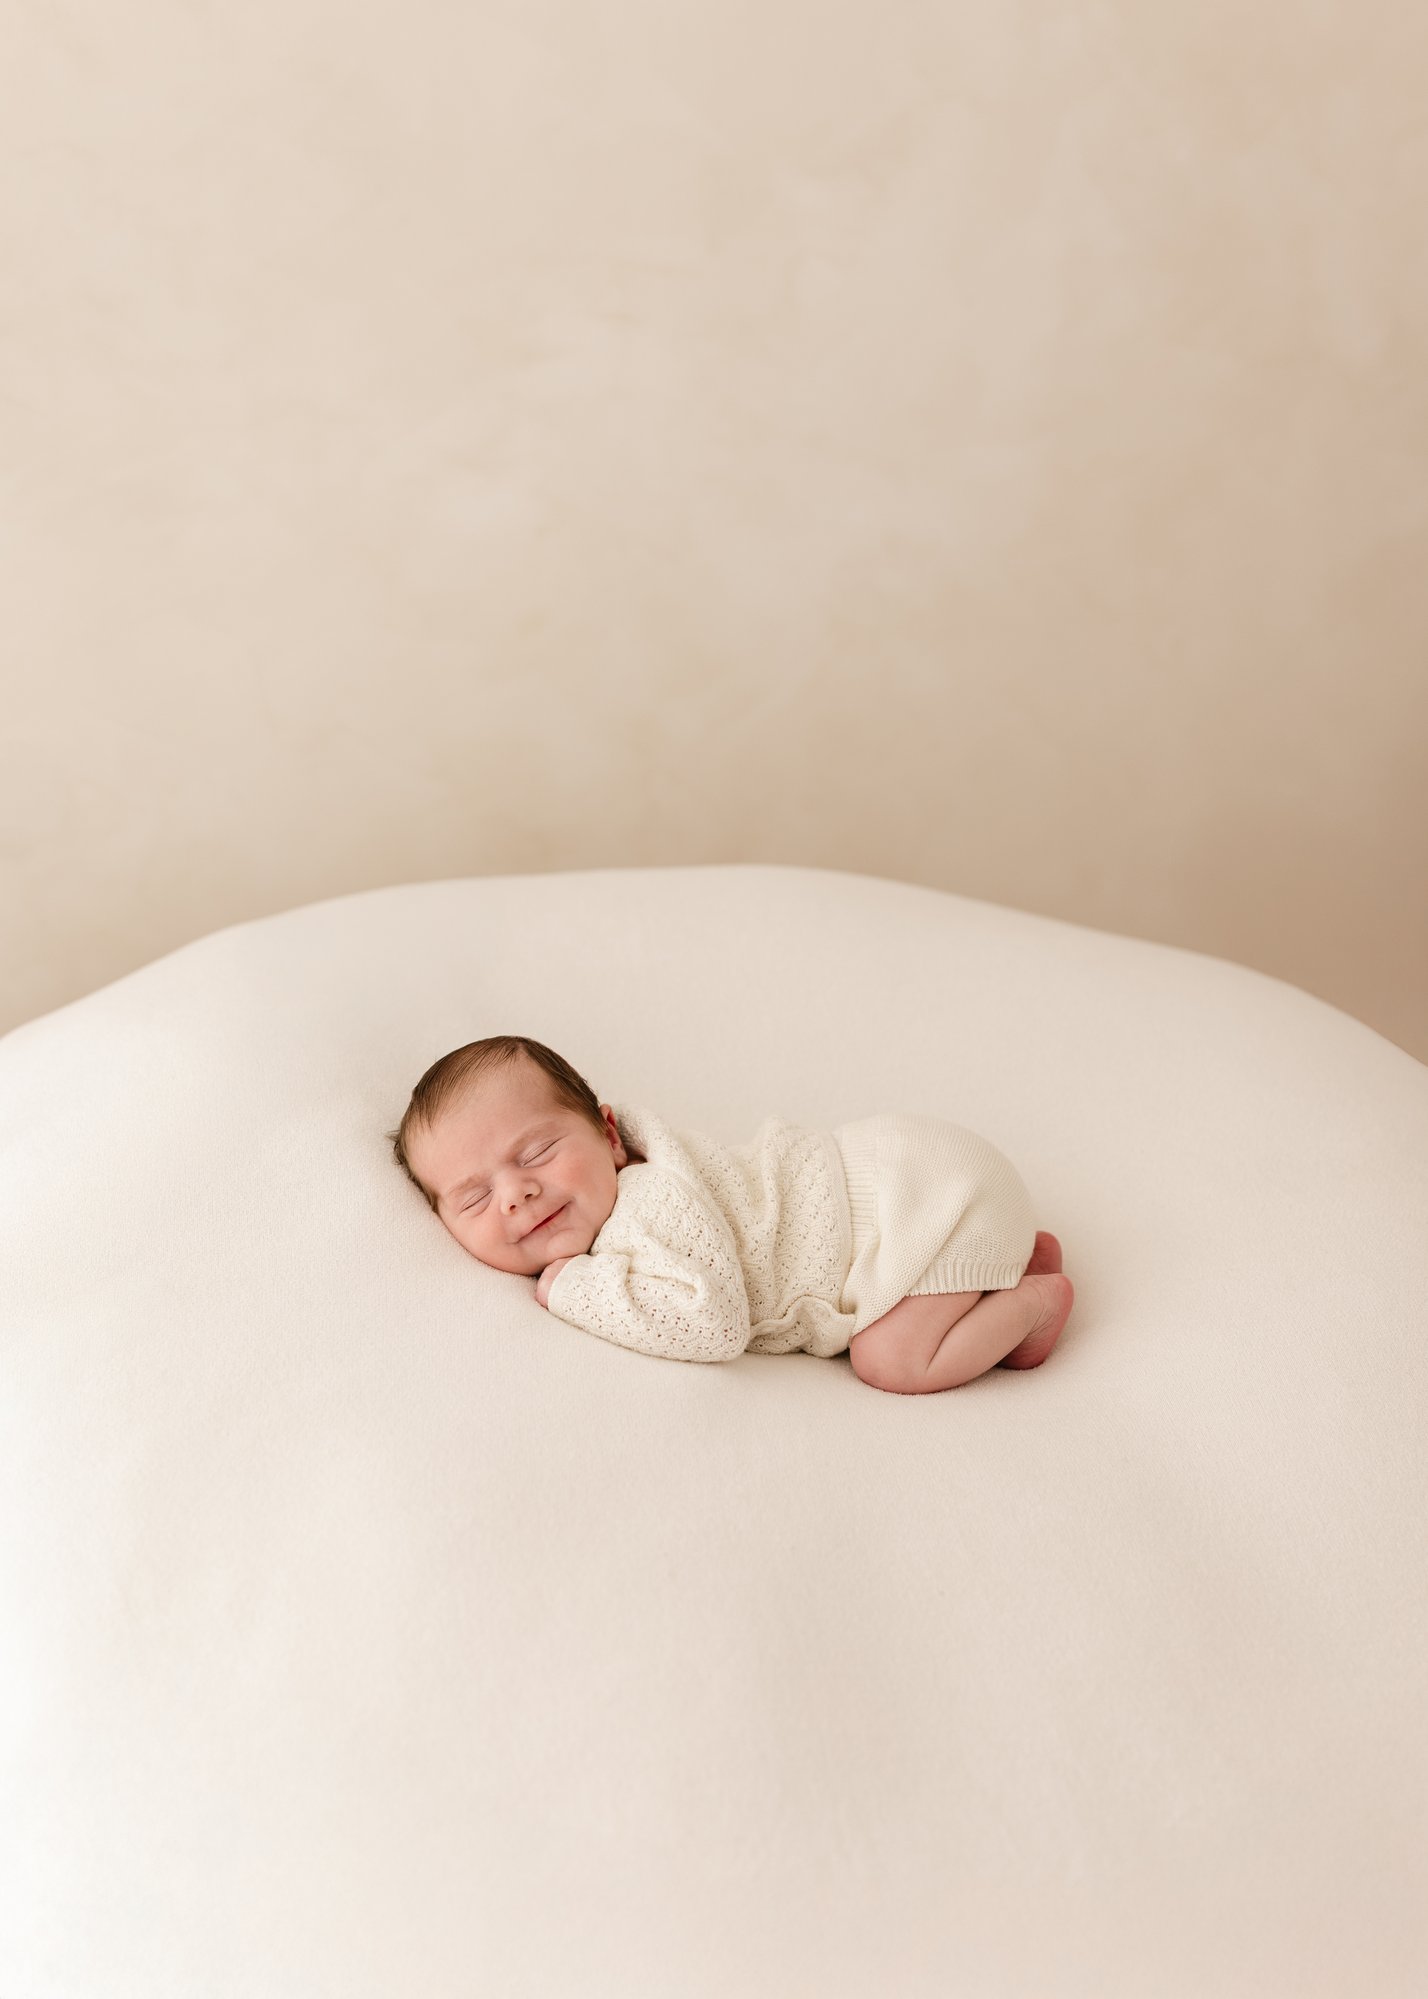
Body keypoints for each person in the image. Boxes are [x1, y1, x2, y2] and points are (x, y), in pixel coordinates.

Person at [388, 1034, 1074, 1396]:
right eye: (474, 1198)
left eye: (537, 1152)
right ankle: (1004, 1263)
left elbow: (713, 1325)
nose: (515, 1194)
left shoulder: (648, 1202)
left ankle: (1036, 1301)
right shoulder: (634, 1189)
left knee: (892, 1360)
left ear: (608, 1136)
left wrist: (573, 1287)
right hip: (910, 1172)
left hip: (918, 1199)